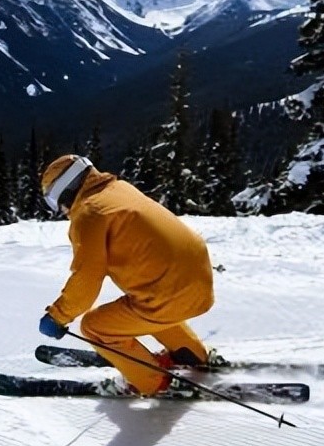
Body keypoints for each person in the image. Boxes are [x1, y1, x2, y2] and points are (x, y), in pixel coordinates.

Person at [36, 154, 222, 396]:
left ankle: (152, 382)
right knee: (144, 304)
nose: (59, 209)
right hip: (199, 282)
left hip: (170, 295)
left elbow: (86, 279)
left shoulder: (89, 213)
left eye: (53, 200)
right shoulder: (119, 189)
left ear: (65, 189)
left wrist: (58, 316)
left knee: (94, 327)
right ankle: (194, 356)